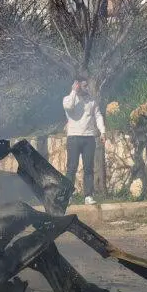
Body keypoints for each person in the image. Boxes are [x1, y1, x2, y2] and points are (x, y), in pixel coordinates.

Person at [62, 76, 105, 205]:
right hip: (73, 137)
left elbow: (98, 115)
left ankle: (88, 196)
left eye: (87, 85)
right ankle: (68, 196)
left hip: (89, 138)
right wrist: (74, 91)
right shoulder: (68, 99)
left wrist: (102, 131)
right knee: (71, 168)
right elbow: (69, 107)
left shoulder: (91, 100)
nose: (87, 88)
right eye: (84, 85)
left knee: (88, 168)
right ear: (77, 85)